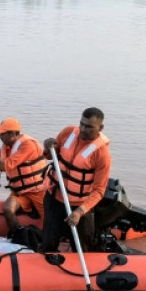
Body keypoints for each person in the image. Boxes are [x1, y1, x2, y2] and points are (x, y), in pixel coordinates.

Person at [41, 107, 111, 253]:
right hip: (54, 199)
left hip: (80, 206)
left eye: (89, 127)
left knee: (83, 249)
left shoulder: (101, 154)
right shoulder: (68, 133)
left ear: (100, 128)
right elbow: (50, 156)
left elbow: (98, 191)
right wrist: (48, 148)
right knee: (48, 244)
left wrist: (80, 212)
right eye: (82, 124)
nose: (83, 129)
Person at [0, 117, 47, 232]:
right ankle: (19, 235)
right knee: (8, 209)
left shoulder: (27, 145)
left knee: (49, 219)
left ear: (11, 134)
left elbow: (5, 166)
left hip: (38, 191)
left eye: (2, 134)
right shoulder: (5, 148)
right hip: (20, 192)